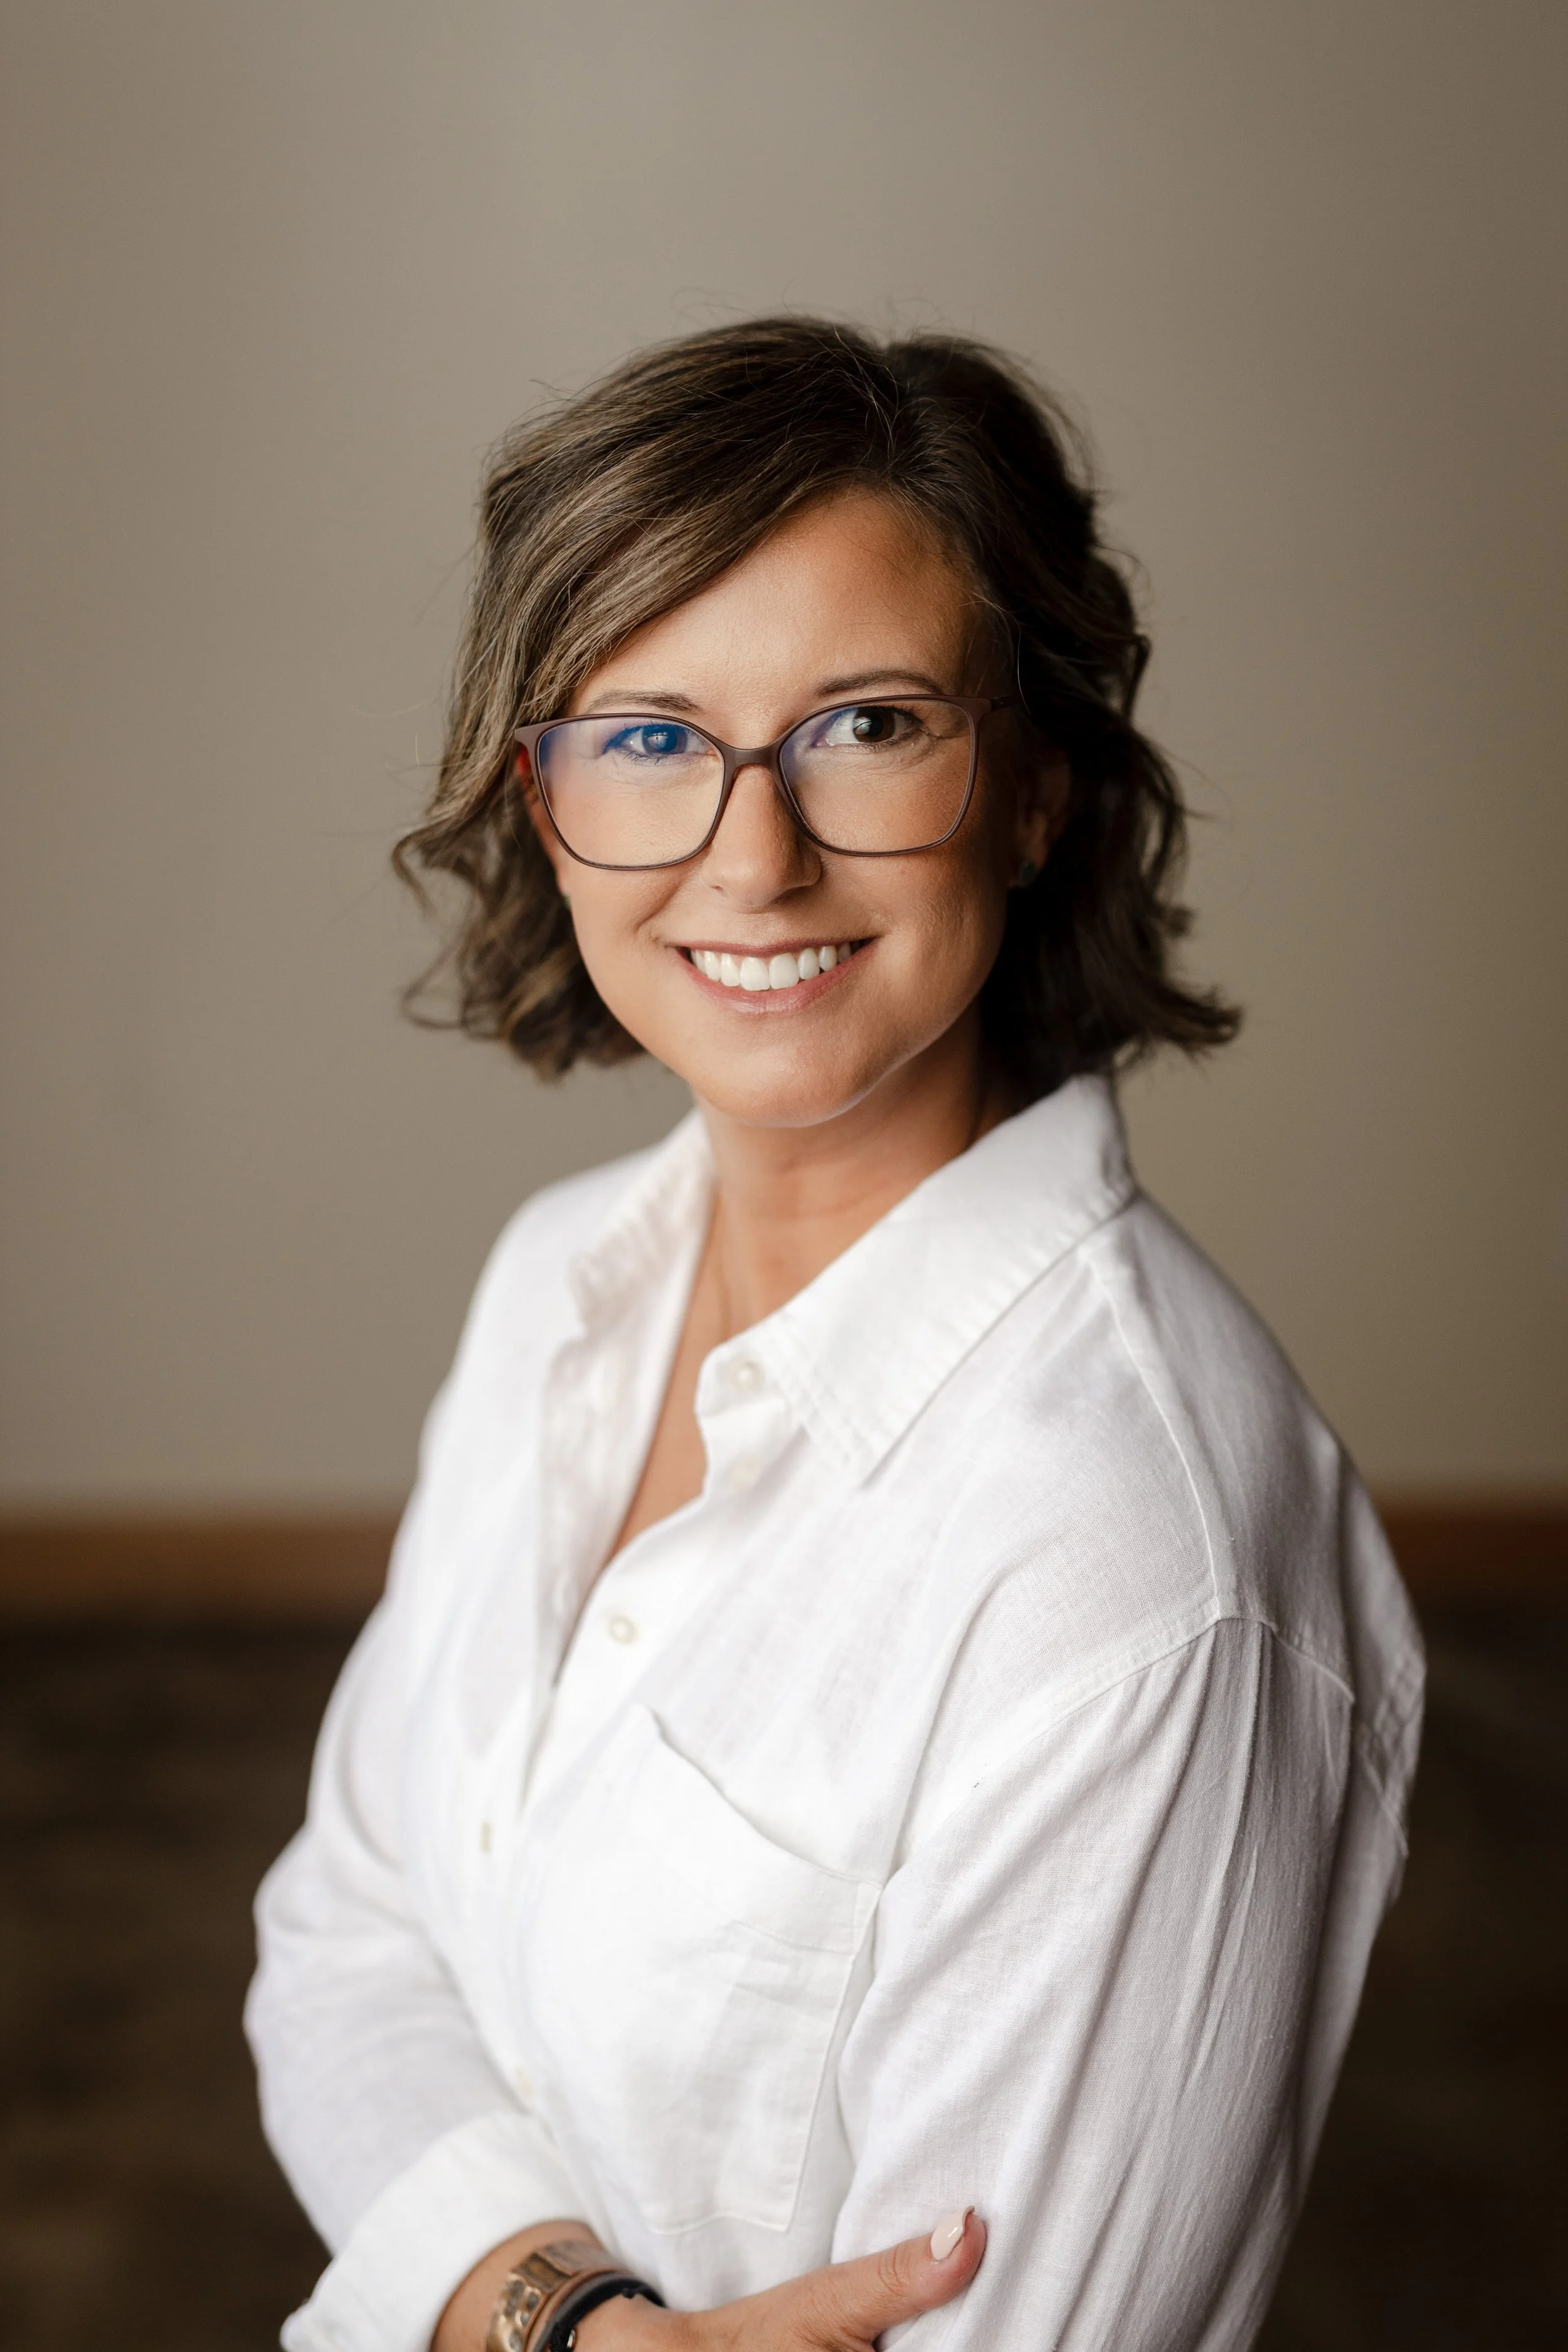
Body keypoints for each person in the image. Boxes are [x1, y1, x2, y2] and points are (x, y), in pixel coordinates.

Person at [247, 318, 1422, 2352]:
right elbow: (342, 1945)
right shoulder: (557, 1282)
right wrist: (576, 2326)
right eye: (646, 732)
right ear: (539, 800)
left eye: (866, 723)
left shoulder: (1133, 1572)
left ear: (1035, 783)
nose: (753, 851)